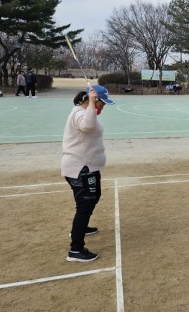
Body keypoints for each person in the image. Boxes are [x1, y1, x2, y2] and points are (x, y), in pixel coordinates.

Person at [61, 85, 114, 262]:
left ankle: (81, 227)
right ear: (93, 100)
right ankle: (75, 250)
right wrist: (91, 104)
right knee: (85, 205)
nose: (102, 108)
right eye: (102, 103)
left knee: (93, 197)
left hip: (88, 167)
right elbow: (88, 126)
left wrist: (91, 105)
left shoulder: (84, 112)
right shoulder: (80, 114)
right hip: (81, 168)